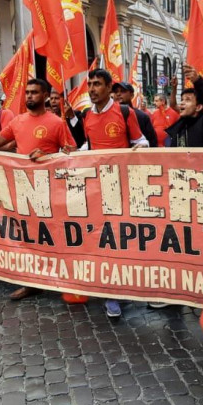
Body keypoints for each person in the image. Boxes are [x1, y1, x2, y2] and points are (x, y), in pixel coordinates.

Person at [0, 78, 77, 301]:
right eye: (27, 92)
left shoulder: (57, 123)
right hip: (22, 189)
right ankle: (32, 282)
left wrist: (48, 157)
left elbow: (72, 155)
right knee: (28, 237)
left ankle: (65, 279)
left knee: (53, 236)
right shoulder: (18, 121)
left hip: (49, 192)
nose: (29, 96)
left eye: (35, 93)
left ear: (46, 95)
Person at [70, 68, 146, 317]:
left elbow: (141, 143)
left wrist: (136, 154)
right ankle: (111, 293)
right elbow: (88, 146)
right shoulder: (85, 116)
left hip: (123, 189)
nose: (91, 89)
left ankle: (132, 286)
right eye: (89, 84)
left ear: (109, 87)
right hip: (96, 190)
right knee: (104, 239)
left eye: (97, 84)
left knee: (122, 239)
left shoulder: (125, 113)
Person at [164, 66, 203, 148]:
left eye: (187, 100)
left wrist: (197, 80)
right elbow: (173, 105)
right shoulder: (182, 123)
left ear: (198, 107)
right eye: (182, 99)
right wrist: (174, 88)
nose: (182, 103)